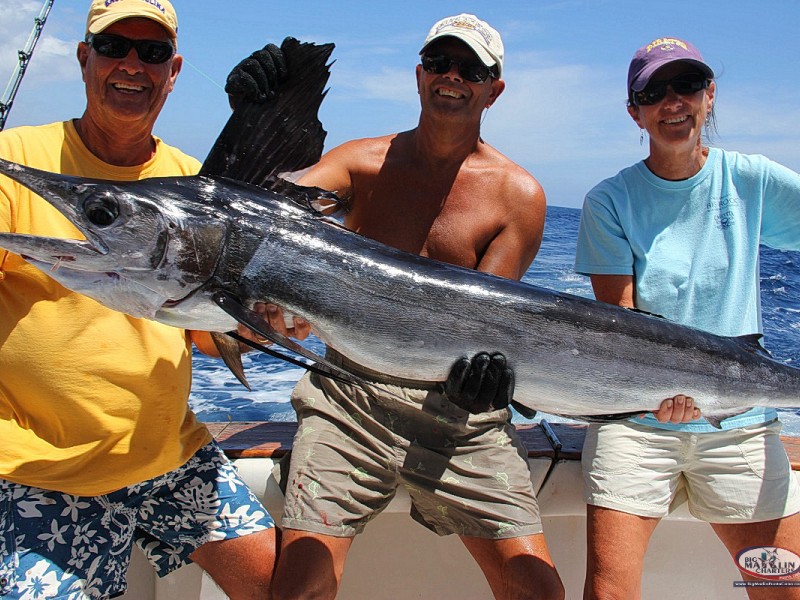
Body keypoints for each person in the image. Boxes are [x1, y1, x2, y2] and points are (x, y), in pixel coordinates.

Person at [229, 13, 565, 600]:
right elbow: (266, 219)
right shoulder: (359, 164)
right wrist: (251, 121)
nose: (452, 76)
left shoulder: (519, 195)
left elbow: (490, 327)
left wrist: (484, 380)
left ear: (495, 88)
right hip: (347, 397)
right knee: (299, 588)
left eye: (471, 68)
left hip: (458, 415)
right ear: (419, 76)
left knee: (537, 589)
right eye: (439, 62)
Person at [0, 1, 301, 597]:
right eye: (114, 48)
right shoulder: (16, 164)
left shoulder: (198, 183)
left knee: (288, 589)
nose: (132, 64)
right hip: (42, 470)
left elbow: (205, 332)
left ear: (174, 69)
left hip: (169, 455)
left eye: (153, 51)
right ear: (85, 58)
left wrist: (273, 324)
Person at [575, 36, 800, 599]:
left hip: (739, 423)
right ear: (636, 111)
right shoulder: (610, 199)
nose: (673, 101)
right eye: (655, 92)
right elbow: (618, 325)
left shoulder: (752, 179)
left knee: (784, 586)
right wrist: (663, 390)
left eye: (688, 85)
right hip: (636, 421)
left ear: (710, 95)